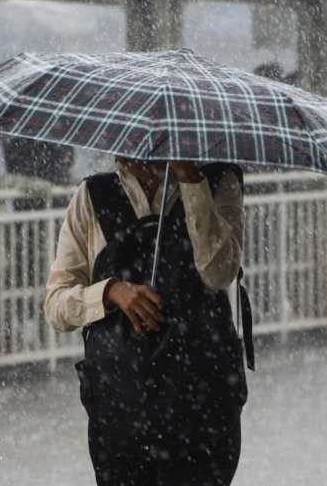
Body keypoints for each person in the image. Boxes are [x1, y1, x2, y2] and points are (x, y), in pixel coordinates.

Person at [45, 158, 249, 486]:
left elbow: (218, 272)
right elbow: (56, 304)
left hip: (202, 403)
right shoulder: (94, 195)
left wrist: (190, 180)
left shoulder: (219, 183)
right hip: (121, 408)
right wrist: (110, 292)